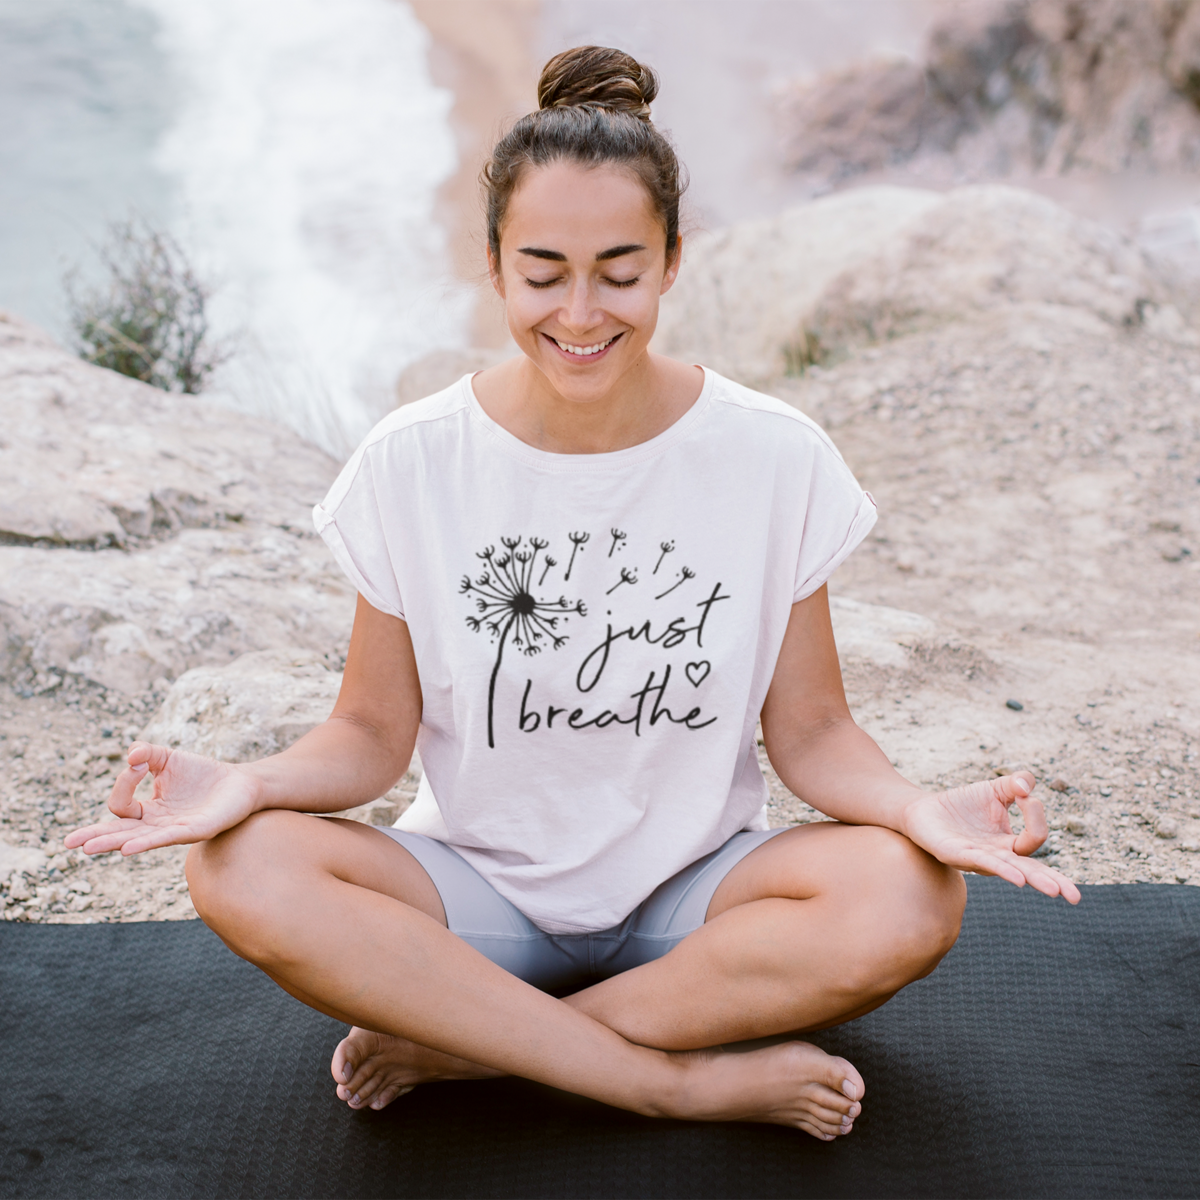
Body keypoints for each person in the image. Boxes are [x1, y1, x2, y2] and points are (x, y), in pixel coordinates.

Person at [66, 46, 1079, 1140]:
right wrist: (251, 784)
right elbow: (369, 734)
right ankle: (666, 1080)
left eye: (619, 271)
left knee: (915, 895)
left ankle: (475, 1046)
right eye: (543, 274)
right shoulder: (413, 461)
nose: (582, 313)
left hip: (697, 899)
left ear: (673, 260)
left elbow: (816, 732)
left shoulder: (773, 456)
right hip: (474, 896)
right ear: (494, 265)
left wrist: (916, 809)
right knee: (239, 867)